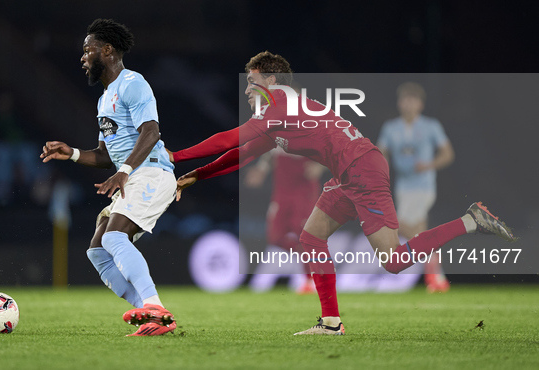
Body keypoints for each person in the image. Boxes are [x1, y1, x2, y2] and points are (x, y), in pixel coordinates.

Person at [168, 51, 516, 336]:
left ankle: (471, 220)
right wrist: (196, 175)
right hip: (348, 173)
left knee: (393, 261)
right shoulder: (283, 112)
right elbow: (242, 153)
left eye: (251, 82)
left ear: (271, 81)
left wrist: (176, 155)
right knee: (311, 237)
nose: (247, 90)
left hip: (363, 171)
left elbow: (232, 138)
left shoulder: (282, 106)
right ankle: (331, 323)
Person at [40, 19, 177, 337]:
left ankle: (154, 307)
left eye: (87, 50)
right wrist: (72, 153)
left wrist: (124, 171)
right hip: (132, 175)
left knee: (114, 238)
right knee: (98, 250)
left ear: (107, 49)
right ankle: (150, 313)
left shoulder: (133, 83)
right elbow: (105, 155)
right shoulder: (104, 99)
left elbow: (151, 131)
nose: (83, 57)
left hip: (152, 173)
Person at [378, 82, 455, 292]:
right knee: (418, 231)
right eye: (404, 100)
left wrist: (429, 165)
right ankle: (436, 277)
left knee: (398, 224)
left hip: (423, 185)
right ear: (399, 103)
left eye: (413, 100)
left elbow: (447, 154)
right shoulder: (391, 127)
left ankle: (436, 273)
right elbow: (381, 153)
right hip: (402, 186)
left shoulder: (431, 126)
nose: (408, 104)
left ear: (420, 104)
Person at [244, 149, 323, 294]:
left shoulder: (312, 126)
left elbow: (331, 148)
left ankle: (311, 280)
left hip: (303, 188)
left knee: (304, 235)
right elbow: (270, 149)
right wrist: (262, 169)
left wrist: (320, 165)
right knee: (275, 236)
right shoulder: (275, 127)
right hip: (282, 188)